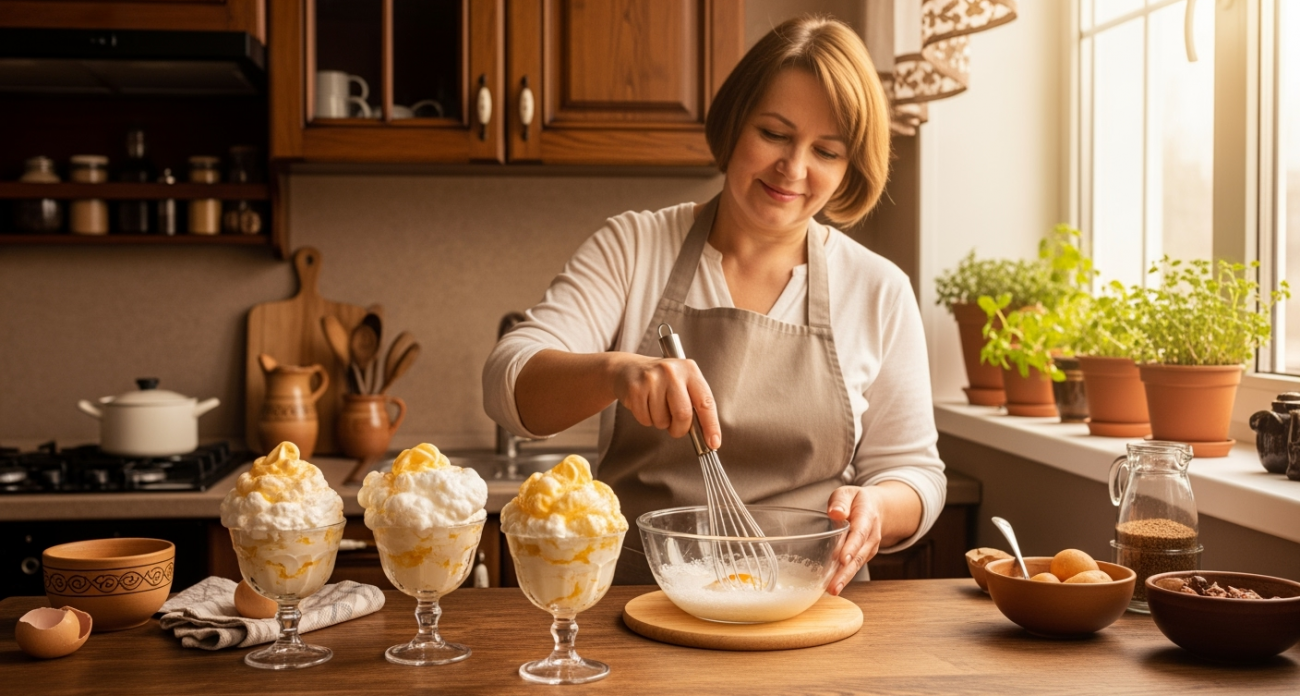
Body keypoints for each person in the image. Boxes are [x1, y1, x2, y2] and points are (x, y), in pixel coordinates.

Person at [483, 15, 945, 592]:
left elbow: (916, 473)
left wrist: (877, 503)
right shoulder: (633, 247)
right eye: (774, 134)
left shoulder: (878, 289)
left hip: (808, 614)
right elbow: (508, 382)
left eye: (826, 151)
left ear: (849, 168)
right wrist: (617, 371)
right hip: (638, 607)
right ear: (734, 124)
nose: (794, 169)